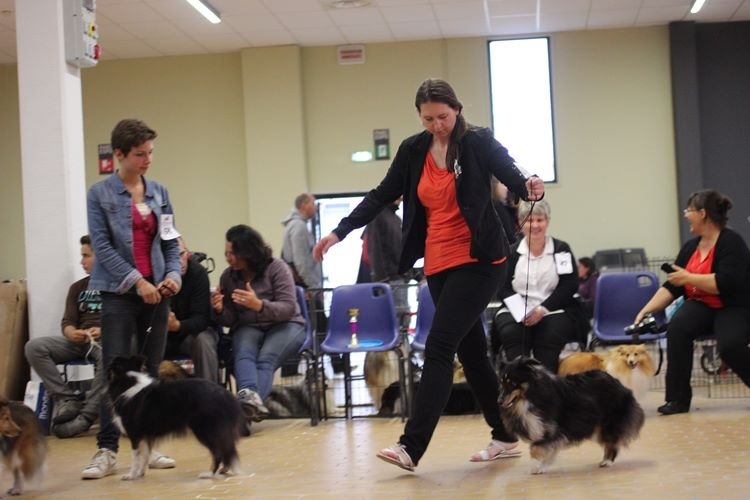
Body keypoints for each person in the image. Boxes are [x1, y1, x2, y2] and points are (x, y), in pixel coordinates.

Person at [312, 78, 544, 471]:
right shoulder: (413, 150)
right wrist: (339, 232)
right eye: (428, 119)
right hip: (437, 263)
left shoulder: (477, 141)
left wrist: (528, 184)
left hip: (479, 260)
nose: (437, 125)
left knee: (438, 347)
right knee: (472, 355)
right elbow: (381, 194)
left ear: (457, 109)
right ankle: (504, 434)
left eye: (443, 117)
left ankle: (411, 446)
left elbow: (509, 171)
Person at [82, 119, 182, 479]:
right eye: (140, 154)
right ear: (119, 155)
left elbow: (170, 240)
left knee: (150, 371)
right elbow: (103, 247)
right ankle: (106, 450)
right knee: (114, 373)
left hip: (158, 292)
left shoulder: (160, 191)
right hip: (119, 293)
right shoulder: (100, 194)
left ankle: (147, 447)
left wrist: (173, 275)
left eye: (150, 152)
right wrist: (137, 281)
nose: (148, 160)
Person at [635, 189, 750, 415]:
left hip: (733, 306)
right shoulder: (690, 247)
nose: (686, 215)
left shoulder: (731, 242)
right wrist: (645, 311)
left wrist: (687, 277)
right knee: (677, 328)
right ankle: (677, 400)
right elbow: (671, 286)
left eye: (688, 210)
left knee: (730, 346)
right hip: (702, 304)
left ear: (702, 213)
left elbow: (723, 283)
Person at [212, 224, 306, 422]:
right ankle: (249, 405)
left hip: (287, 324)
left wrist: (258, 305)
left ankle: (243, 414)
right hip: (249, 326)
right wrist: (221, 310)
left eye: (233, 253)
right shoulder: (228, 277)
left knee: (265, 359)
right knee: (243, 353)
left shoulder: (277, 268)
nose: (229, 258)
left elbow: (288, 308)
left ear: (249, 251)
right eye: (226, 253)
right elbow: (231, 319)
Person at [24, 235, 105, 439]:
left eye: (86, 256)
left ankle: (88, 415)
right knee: (34, 347)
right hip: (78, 341)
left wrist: (103, 330)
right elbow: (67, 321)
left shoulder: (117, 286)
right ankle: (66, 399)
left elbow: (126, 320)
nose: (81, 262)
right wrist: (71, 332)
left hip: (104, 340)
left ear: (101, 256)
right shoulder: (77, 288)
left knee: (109, 355)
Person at [492, 200, 587, 373]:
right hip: (517, 310)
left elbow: (570, 285)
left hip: (554, 309)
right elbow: (502, 287)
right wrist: (521, 311)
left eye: (539, 220)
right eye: (529, 220)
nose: (535, 225)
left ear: (547, 222)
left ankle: (546, 388)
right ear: (521, 223)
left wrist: (542, 310)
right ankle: (517, 384)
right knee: (512, 334)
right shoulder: (511, 252)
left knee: (549, 335)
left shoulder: (561, 250)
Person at [280, 193, 329, 375]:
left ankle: (294, 370)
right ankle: (334, 365)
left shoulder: (295, 226)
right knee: (319, 327)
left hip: (302, 286)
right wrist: (312, 287)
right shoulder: (298, 227)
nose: (316, 208)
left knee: (315, 326)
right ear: (303, 205)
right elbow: (301, 262)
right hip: (304, 287)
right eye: (313, 204)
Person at [164, 238, 220, 383]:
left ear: (188, 253)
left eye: (182, 254)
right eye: (173, 257)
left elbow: (201, 320)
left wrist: (177, 326)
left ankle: (210, 397)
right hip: (162, 337)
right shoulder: (155, 275)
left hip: (191, 334)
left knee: (202, 340)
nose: (180, 262)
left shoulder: (198, 273)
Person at [365, 196, 409, 329]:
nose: (401, 198)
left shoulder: (395, 219)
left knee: (402, 319)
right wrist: (383, 279)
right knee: (392, 321)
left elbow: (400, 251)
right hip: (388, 280)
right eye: (399, 195)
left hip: (399, 278)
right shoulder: (378, 216)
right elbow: (375, 249)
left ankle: (402, 349)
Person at [576, 256, 599, 321]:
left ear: (587, 268)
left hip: (588, 312)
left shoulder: (593, 281)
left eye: (580, 267)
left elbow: (593, 300)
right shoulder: (579, 281)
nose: (577, 269)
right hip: (579, 310)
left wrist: (580, 301)